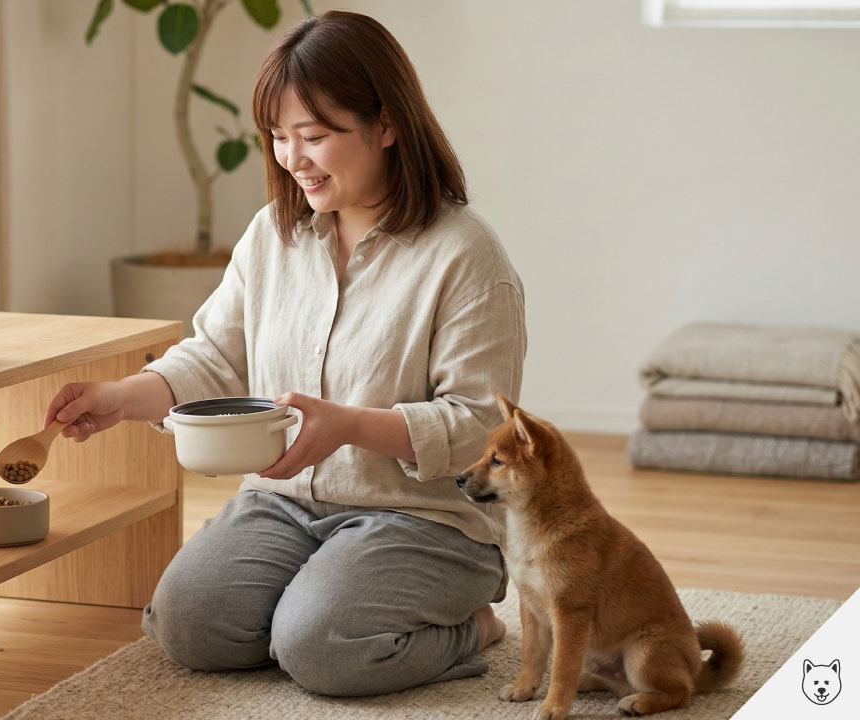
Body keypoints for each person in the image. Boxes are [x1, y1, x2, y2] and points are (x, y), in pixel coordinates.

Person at [43, 10, 526, 697]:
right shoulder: (273, 236)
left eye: (314, 136)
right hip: (282, 503)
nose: (290, 157)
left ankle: (474, 626)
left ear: (386, 125)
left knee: (320, 649)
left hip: (422, 517)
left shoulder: (465, 255)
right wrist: (121, 397)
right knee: (187, 625)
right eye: (276, 136)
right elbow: (215, 357)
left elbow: (483, 426)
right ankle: (321, 597)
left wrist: (352, 425)